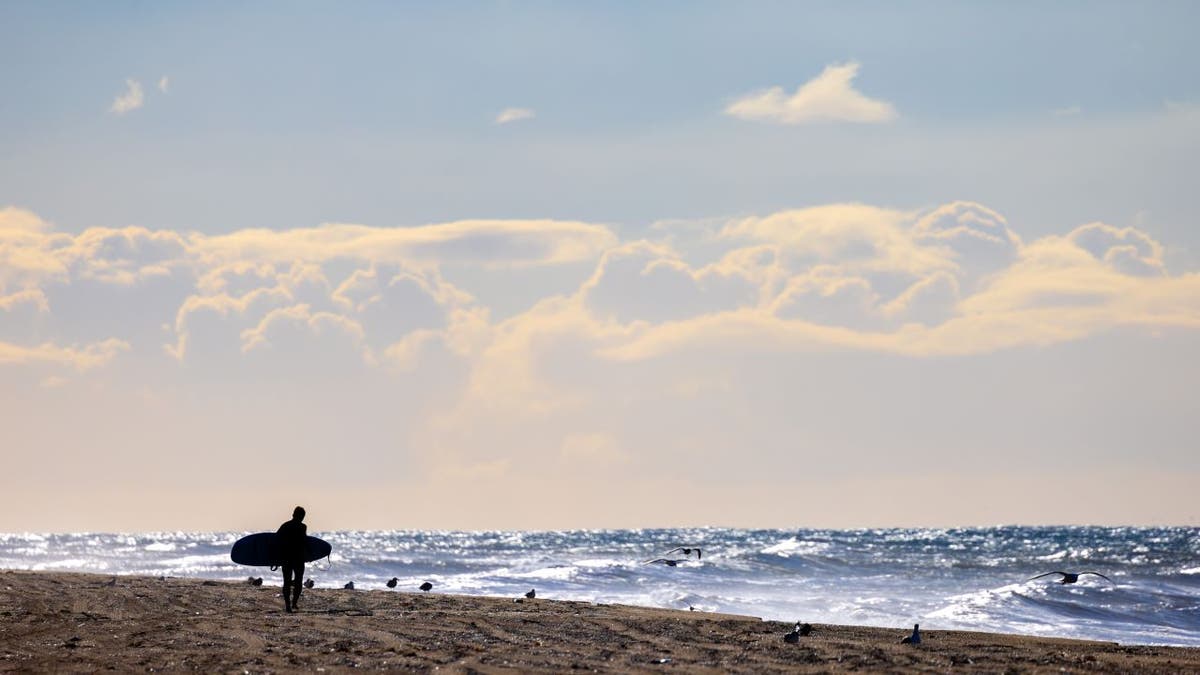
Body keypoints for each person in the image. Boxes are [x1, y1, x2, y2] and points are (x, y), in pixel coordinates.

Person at [276, 506, 307, 613]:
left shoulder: (285, 526)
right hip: (298, 558)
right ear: (301, 516)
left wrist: (276, 557)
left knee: (287, 582)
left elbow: (277, 540)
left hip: (287, 558)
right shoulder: (303, 527)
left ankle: (288, 605)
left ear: (293, 514)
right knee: (298, 582)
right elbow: (304, 543)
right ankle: (294, 603)